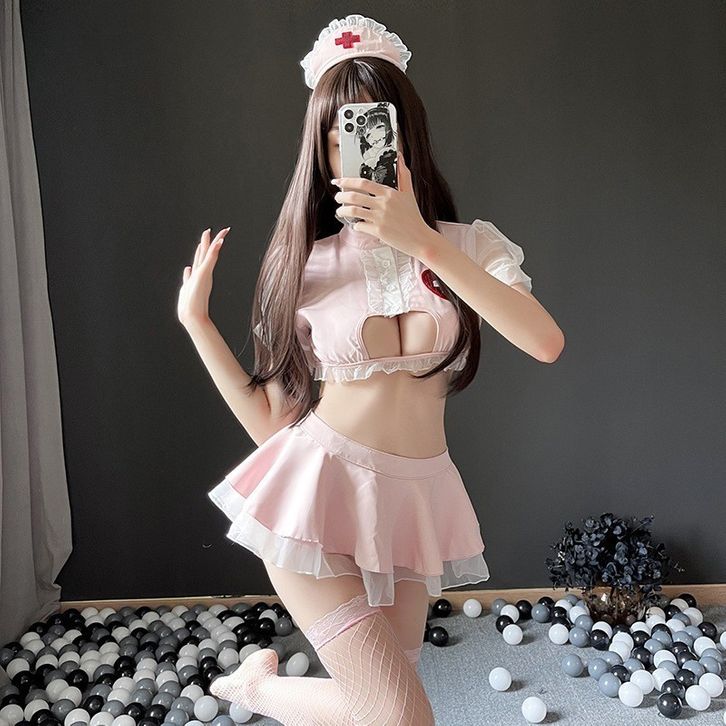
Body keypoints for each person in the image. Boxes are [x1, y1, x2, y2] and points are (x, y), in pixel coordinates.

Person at [176, 13, 564, 726]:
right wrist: (197, 324)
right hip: (316, 491)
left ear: (405, 134)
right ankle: (256, 691)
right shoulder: (308, 261)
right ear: (319, 151)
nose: (354, 149)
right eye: (336, 135)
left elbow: (544, 342)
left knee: (383, 716)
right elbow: (271, 422)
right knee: (400, 716)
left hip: (413, 505)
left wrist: (423, 241)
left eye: (372, 127)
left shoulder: (472, 245)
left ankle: (255, 688)